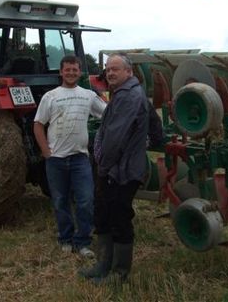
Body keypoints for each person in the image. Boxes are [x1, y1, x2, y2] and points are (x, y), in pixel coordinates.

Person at [79, 53, 148, 284]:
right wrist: (153, 137)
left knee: (119, 218)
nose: (110, 72)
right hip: (116, 167)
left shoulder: (129, 97)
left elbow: (114, 139)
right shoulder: (124, 94)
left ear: (129, 72)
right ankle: (103, 265)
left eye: (115, 69)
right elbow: (153, 122)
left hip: (122, 170)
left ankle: (119, 274)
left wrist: (102, 167)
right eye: (108, 69)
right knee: (105, 214)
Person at [34, 55, 107, 257]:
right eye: (68, 70)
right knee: (60, 201)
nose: (71, 73)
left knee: (85, 200)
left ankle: (83, 241)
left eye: (75, 70)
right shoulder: (51, 96)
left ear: (80, 72)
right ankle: (65, 238)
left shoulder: (88, 95)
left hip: (79, 158)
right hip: (56, 160)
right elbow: (38, 124)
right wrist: (45, 152)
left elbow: (107, 113)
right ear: (61, 72)